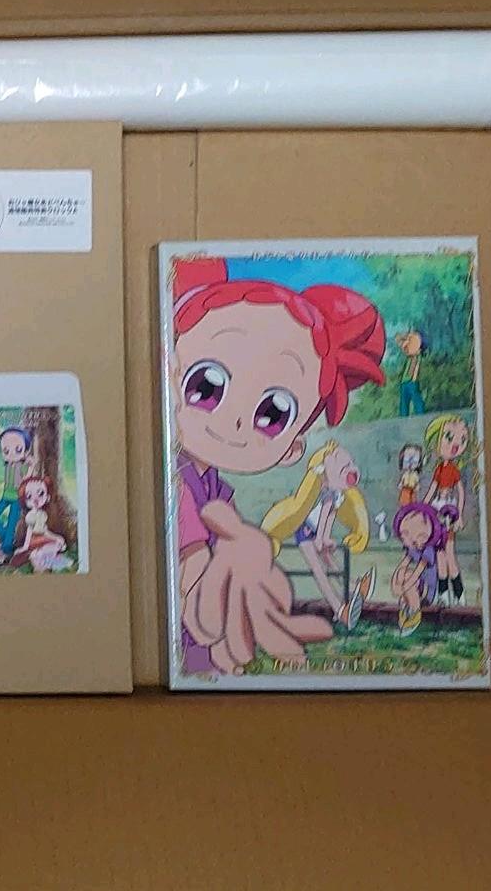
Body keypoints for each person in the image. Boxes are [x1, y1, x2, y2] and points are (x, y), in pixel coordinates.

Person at [171, 257, 386, 676]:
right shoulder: (177, 483)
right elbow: (197, 601)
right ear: (170, 369)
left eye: (271, 414)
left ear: (292, 450)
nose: (235, 421)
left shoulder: (212, 485)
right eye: (205, 386)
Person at [262, 441, 376, 630]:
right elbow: (324, 516)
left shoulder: (337, 494)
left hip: (316, 532)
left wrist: (325, 538)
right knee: (319, 570)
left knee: (329, 561)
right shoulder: (328, 493)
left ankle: (353, 586)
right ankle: (339, 609)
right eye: (345, 467)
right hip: (306, 531)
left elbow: (330, 517)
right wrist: (320, 539)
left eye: (350, 464)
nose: (351, 470)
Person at [423, 415, 470, 606]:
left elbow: (461, 492)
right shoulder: (439, 469)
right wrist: (421, 508)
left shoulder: (453, 470)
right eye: (449, 438)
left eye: (462, 439)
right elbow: (432, 490)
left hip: (448, 513)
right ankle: (443, 594)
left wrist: (459, 515)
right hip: (437, 511)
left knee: (449, 553)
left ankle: (459, 593)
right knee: (439, 554)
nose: (456, 444)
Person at [390, 502, 449, 637]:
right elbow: (402, 566)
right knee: (403, 573)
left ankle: (415, 611)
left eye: (406, 533)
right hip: (417, 587)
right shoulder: (412, 549)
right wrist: (395, 583)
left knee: (409, 578)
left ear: (422, 536)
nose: (402, 537)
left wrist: (403, 588)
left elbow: (417, 572)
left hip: (428, 591)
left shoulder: (428, 551)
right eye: (402, 534)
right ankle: (407, 605)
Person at [0, 427, 36, 557]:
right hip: (6, 497)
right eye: (6, 451)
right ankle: (6, 535)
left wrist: (31, 466)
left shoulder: (22, 466)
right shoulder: (8, 465)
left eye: (18, 450)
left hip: (17, 499)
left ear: (26, 451)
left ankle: (7, 547)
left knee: (11, 522)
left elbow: (27, 479)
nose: (12, 454)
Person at [10, 475, 71, 572]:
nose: (35, 499)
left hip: (43, 537)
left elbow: (45, 531)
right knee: (52, 546)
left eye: (41, 493)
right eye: (29, 496)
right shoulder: (30, 516)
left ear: (47, 497)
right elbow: (29, 531)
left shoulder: (43, 515)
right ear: (24, 501)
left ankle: (40, 555)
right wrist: (25, 547)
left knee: (59, 544)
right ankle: (34, 555)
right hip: (34, 539)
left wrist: (56, 537)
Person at [396, 329, 426, 417]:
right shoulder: (408, 358)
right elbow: (400, 340)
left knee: (416, 400)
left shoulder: (417, 356)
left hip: (412, 380)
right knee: (404, 403)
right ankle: (403, 418)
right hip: (404, 381)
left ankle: (421, 417)